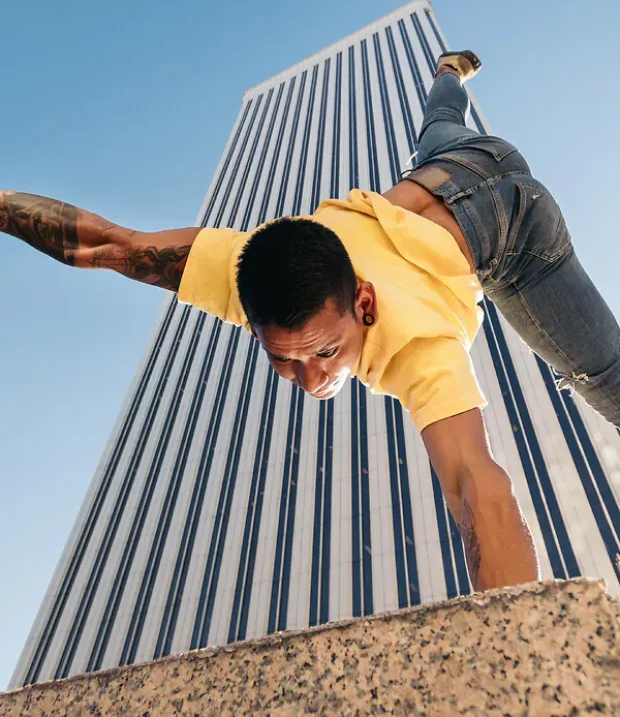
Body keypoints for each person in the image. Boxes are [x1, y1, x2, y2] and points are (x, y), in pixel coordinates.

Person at [2, 51, 618, 595]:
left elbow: (476, 488)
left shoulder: (418, 349)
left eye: (325, 350)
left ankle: (449, 78)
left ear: (366, 305)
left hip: (519, 231)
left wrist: (519, 642)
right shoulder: (249, 267)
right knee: (440, 124)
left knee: (605, 377)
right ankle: (448, 72)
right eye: (283, 358)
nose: (308, 377)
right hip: (455, 163)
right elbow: (111, 245)